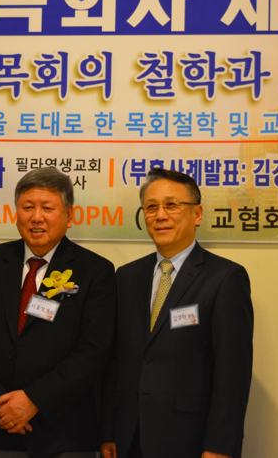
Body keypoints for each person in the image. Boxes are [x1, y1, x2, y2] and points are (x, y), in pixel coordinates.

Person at [0, 166, 116, 457]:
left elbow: (93, 350)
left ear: (69, 215)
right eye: (27, 207)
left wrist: (34, 400)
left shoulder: (95, 271)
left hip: (62, 432)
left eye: (47, 208)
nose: (36, 217)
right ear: (16, 212)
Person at [100, 168, 254, 458]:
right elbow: (115, 362)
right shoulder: (127, 276)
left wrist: (220, 446)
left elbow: (233, 373)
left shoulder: (225, 277)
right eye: (151, 207)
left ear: (197, 214)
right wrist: (109, 431)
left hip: (190, 439)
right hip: (129, 437)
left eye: (171, 205)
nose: (160, 215)